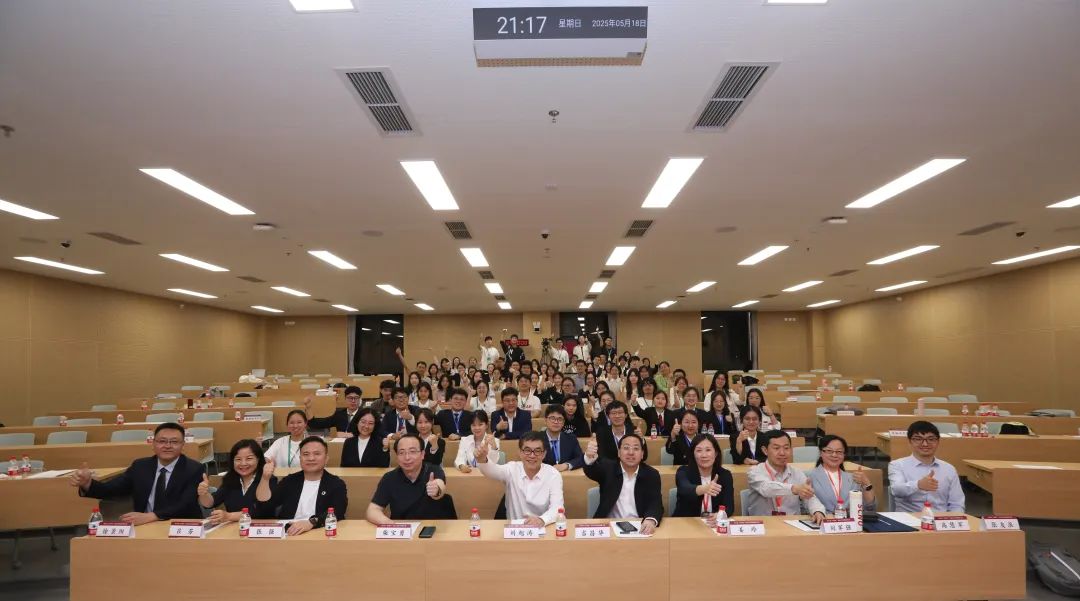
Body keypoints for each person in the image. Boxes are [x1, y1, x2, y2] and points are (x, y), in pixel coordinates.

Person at [69, 422, 204, 524]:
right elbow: (112, 489)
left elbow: (186, 504)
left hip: (180, 524)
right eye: (162, 441)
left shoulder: (194, 468)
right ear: (153, 444)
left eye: (174, 442)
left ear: (183, 445)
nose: (167, 446)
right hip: (143, 524)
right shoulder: (140, 466)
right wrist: (87, 484)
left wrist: (152, 516)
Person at [476, 431, 564, 526]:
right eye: (527, 450)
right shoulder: (512, 469)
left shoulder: (553, 474)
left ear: (544, 454)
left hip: (543, 527)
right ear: (520, 452)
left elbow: (557, 508)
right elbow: (491, 470)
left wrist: (542, 520)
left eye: (537, 451)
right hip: (514, 529)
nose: (532, 455)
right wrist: (482, 459)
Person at [265, 436, 347, 535]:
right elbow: (267, 506)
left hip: (320, 532)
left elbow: (338, 511)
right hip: (289, 533)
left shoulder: (336, 484)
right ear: (300, 459)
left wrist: (312, 522)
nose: (311, 458)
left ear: (326, 459)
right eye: (306, 454)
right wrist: (265, 479)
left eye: (317, 454)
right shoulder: (289, 481)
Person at [583, 433, 663, 534]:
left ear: (642, 454)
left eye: (636, 448)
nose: (631, 452)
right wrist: (589, 457)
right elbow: (592, 470)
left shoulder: (651, 474)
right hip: (609, 526)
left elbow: (655, 503)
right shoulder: (608, 468)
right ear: (619, 453)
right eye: (626, 448)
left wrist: (650, 519)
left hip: (639, 527)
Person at [367, 434, 454, 523]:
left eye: (412, 451)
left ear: (422, 454)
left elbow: (440, 485)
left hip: (432, 526)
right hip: (402, 528)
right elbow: (373, 510)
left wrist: (436, 490)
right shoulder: (389, 478)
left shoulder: (433, 470)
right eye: (401, 453)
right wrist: (390, 524)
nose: (407, 457)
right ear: (397, 456)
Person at [746, 431, 827, 523]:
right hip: (763, 524)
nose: (782, 453)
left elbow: (809, 497)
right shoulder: (755, 471)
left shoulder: (797, 473)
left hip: (793, 524)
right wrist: (794, 489)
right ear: (765, 450)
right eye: (776, 448)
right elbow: (766, 488)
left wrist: (817, 511)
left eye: (786, 448)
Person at [887, 421, 965, 512]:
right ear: (910, 442)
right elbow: (896, 490)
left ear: (938, 442)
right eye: (918, 439)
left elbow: (957, 504)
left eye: (931, 439)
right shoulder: (897, 465)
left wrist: (954, 518)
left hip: (940, 518)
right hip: (909, 518)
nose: (925, 444)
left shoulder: (949, 469)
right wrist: (918, 485)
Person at [197, 439, 276, 523]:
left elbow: (262, 512)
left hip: (261, 527)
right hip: (234, 528)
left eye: (249, 458)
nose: (243, 463)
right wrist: (204, 494)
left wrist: (229, 516)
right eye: (238, 459)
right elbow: (211, 503)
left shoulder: (269, 479)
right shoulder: (230, 479)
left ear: (258, 459)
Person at [809, 435, 876, 514]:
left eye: (839, 452)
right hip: (823, 519)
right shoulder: (811, 477)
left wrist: (867, 483)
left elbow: (870, 507)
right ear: (821, 453)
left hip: (850, 520)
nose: (834, 455)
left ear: (844, 454)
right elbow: (806, 506)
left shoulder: (853, 478)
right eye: (829, 451)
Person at [673, 434, 735, 517]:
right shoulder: (683, 471)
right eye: (699, 451)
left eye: (708, 450)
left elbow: (729, 507)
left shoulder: (725, 475)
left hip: (713, 522)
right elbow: (684, 489)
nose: (704, 455)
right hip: (686, 522)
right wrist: (704, 489)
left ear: (716, 453)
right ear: (693, 454)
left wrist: (719, 515)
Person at [541, 404, 584, 471]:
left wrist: (567, 465)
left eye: (560, 419)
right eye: (552, 418)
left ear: (563, 422)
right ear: (545, 420)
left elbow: (580, 458)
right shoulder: (537, 439)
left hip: (566, 475)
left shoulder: (571, 438)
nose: (556, 422)